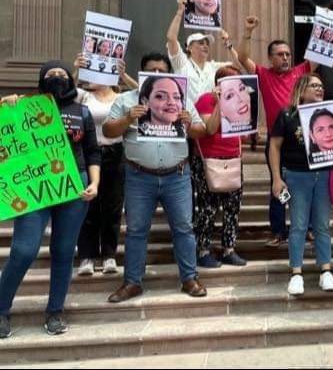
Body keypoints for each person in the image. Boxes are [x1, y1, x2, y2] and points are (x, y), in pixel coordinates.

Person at [0, 61, 101, 338]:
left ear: (70, 80)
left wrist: (94, 182)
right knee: (23, 250)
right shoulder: (23, 107)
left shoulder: (82, 111)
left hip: (75, 186)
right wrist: (5, 106)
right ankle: (1, 309)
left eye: (62, 74)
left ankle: (55, 310)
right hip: (35, 187)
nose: (57, 78)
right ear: (41, 81)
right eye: (50, 75)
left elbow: (93, 151)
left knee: (64, 251)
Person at [103, 52, 209, 303]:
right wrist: (129, 117)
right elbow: (108, 130)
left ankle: (189, 278)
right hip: (139, 177)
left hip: (177, 176)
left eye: (163, 70)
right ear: (143, 74)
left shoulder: (181, 100)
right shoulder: (126, 99)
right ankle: (132, 282)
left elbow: (201, 131)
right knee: (136, 230)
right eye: (153, 70)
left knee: (184, 228)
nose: (159, 74)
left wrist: (188, 123)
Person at [237, 17, 318, 247]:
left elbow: (319, 56)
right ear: (271, 58)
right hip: (277, 140)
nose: (285, 58)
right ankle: (279, 230)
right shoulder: (264, 74)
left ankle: (308, 227)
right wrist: (248, 31)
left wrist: (324, 25)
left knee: (306, 185)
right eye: (280, 54)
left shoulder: (301, 71)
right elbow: (242, 58)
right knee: (278, 184)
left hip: (303, 138)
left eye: (288, 54)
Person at [269, 74, 333, 295]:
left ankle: (325, 270)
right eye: (314, 86)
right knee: (299, 225)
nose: (320, 89)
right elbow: (274, 147)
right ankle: (296, 272)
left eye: (321, 86)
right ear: (302, 89)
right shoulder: (287, 114)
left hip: (323, 176)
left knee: (322, 225)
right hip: (296, 176)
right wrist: (276, 178)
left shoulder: (329, 114)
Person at [72, 54, 137, 277]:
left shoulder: (123, 97)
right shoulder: (83, 96)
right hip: (89, 154)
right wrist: (75, 70)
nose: (91, 75)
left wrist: (123, 76)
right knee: (88, 205)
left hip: (116, 153)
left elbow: (146, 92)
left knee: (113, 205)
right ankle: (87, 256)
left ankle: (109, 254)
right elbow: (64, 93)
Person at [192, 66, 247, 268]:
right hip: (208, 160)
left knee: (233, 207)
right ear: (219, 83)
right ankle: (203, 250)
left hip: (232, 159)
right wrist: (218, 103)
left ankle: (228, 249)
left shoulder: (239, 101)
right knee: (208, 207)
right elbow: (210, 128)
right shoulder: (206, 99)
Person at [166, 0, 242, 106]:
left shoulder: (213, 67)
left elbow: (238, 65)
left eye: (207, 44)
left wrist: (227, 44)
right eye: (201, 43)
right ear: (189, 47)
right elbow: (171, 38)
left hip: (209, 117)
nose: (205, 46)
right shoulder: (181, 64)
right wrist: (180, 11)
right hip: (188, 118)